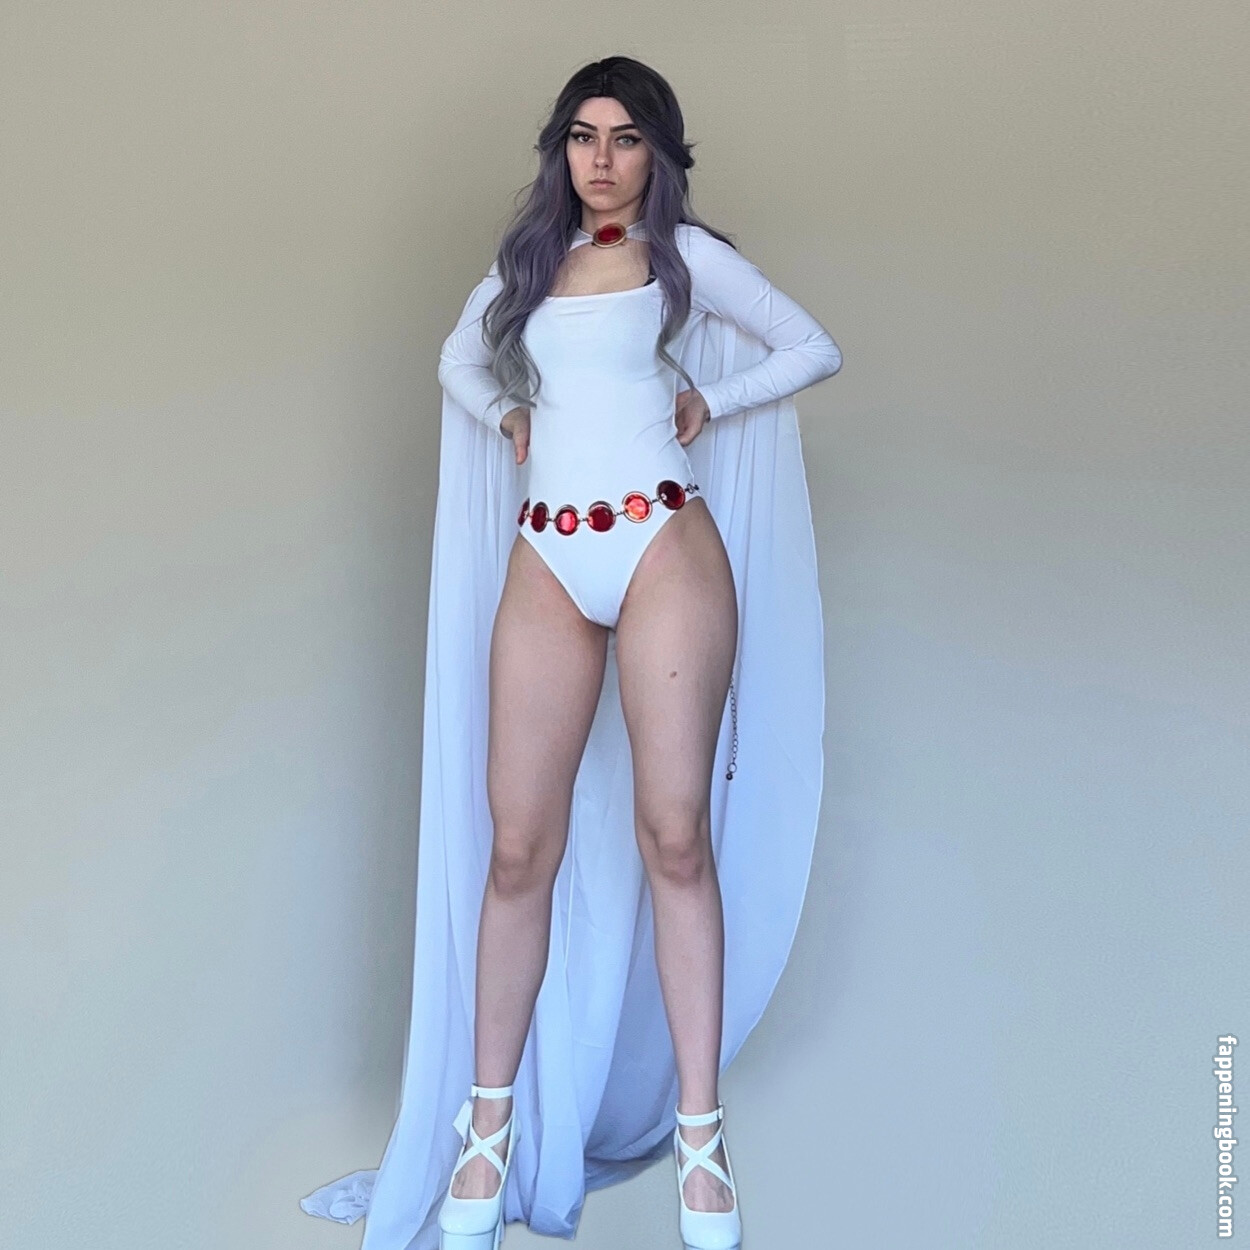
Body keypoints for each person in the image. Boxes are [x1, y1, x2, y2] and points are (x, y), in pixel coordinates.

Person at [301, 56, 840, 1250]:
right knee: (516, 849)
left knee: (673, 835)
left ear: (659, 153)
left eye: (626, 136)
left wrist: (713, 401)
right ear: (561, 150)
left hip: (660, 542)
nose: (601, 157)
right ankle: (485, 1123)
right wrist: (506, 413)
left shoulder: (683, 258)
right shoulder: (527, 266)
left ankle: (700, 1133)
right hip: (549, 549)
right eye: (584, 136)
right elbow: (456, 360)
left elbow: (812, 345)